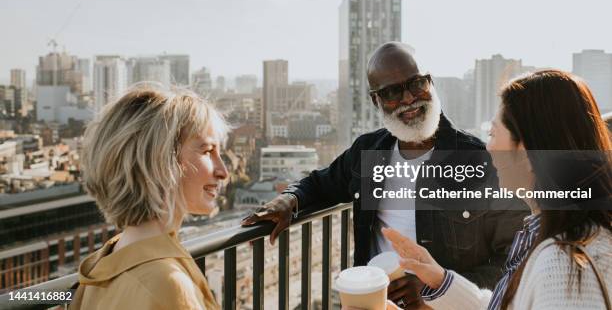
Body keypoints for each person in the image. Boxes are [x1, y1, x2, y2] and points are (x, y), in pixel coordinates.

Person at [242, 42, 526, 308]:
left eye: (416, 84)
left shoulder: (483, 162)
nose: (408, 99)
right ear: (376, 100)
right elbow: (320, 183)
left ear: (430, 83)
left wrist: (439, 291)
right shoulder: (368, 152)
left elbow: (513, 259)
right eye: (391, 92)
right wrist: (289, 200)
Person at [382, 69, 612, 310]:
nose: (488, 148)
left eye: (492, 134)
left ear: (527, 151)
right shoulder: (555, 236)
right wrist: (441, 280)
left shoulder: (565, 268)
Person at [70, 85, 228, 310]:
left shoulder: (101, 265)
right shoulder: (168, 284)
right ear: (161, 162)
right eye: (206, 151)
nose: (223, 171)